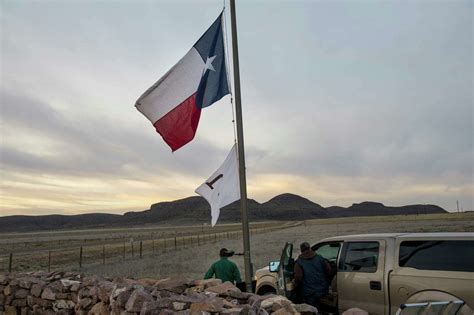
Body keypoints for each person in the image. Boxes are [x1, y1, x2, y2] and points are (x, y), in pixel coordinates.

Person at [293, 242, 332, 308]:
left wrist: (295, 282)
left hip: (309, 293)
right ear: (310, 248)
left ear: (301, 250)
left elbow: (298, 277)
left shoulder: (299, 262)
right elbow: (329, 271)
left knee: (311, 309)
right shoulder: (320, 258)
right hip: (323, 290)